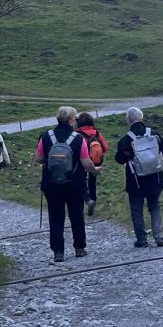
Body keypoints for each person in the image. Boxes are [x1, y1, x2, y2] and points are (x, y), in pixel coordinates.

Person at [34, 107, 95, 263]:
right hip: (75, 184)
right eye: (75, 119)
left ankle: (58, 252)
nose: (76, 121)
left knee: (55, 217)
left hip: (51, 184)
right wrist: (95, 171)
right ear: (71, 120)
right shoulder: (79, 138)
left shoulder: (46, 136)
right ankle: (79, 248)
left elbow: (38, 159)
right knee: (76, 215)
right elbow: (86, 163)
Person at [115, 107, 163, 249]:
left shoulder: (126, 140)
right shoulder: (154, 134)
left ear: (128, 120)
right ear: (141, 117)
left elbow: (119, 159)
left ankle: (141, 240)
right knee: (155, 206)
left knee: (136, 209)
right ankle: (158, 236)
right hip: (155, 177)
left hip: (136, 180)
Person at [76, 111, 109, 218]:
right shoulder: (97, 133)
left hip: (82, 162)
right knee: (92, 182)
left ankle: (87, 199)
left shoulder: (77, 134)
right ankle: (93, 201)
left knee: (81, 181)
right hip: (96, 162)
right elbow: (105, 148)